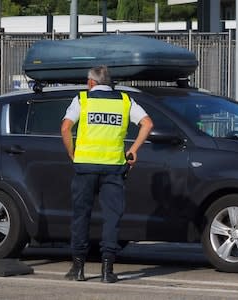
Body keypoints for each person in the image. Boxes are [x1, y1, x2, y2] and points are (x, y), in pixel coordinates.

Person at [60, 65, 153, 283]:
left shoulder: (82, 100)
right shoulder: (124, 101)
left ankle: (78, 268)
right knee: (112, 217)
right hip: (113, 166)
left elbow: (65, 128)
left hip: (85, 166)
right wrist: (133, 150)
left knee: (81, 216)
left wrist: (72, 154)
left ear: (91, 82)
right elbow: (147, 124)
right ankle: (106, 270)